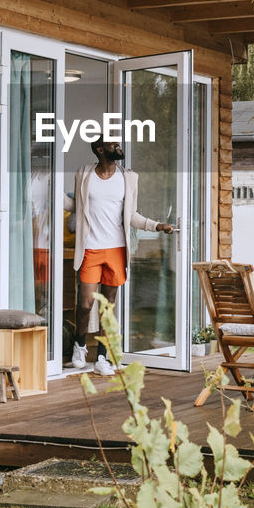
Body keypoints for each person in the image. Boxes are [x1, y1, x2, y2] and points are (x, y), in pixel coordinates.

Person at [64, 136, 174, 375]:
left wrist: (156, 226)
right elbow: (76, 206)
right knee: (85, 304)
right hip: (90, 247)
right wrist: (50, 192)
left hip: (116, 249)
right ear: (100, 150)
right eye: (113, 145)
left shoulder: (128, 178)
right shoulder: (84, 174)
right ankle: (80, 345)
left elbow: (132, 215)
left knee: (107, 307)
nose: (119, 147)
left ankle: (101, 358)